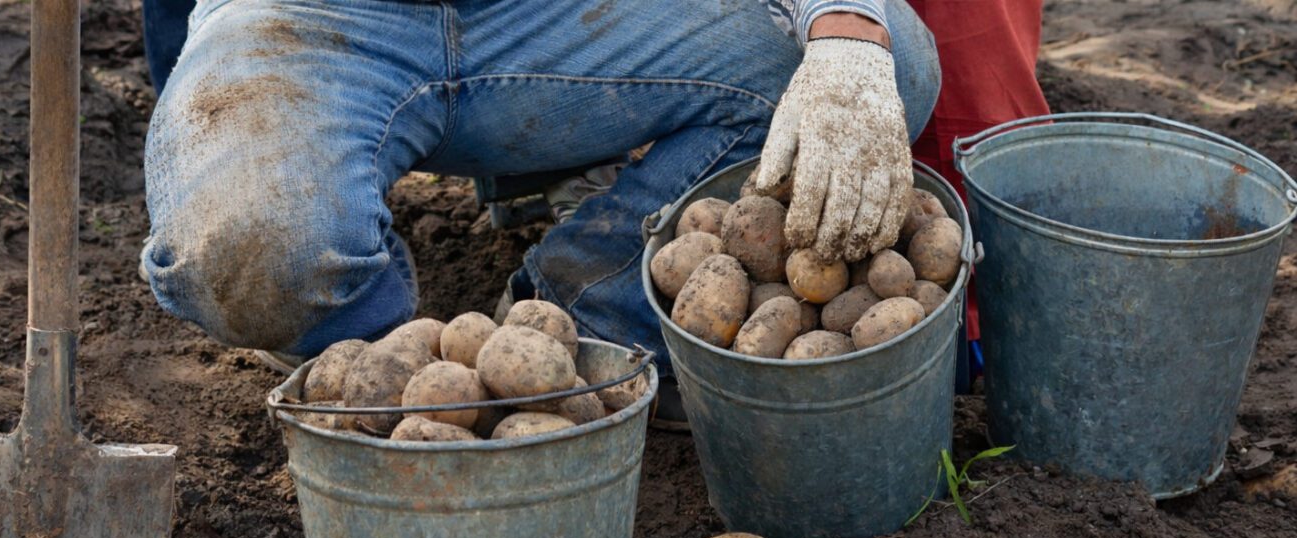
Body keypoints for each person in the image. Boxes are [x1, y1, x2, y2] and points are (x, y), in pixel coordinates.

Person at [138, 0, 942, 395]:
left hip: (561, 17)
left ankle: (588, 324)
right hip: (314, 17)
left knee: (884, 57)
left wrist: (844, 28)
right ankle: (371, 357)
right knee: (248, 249)